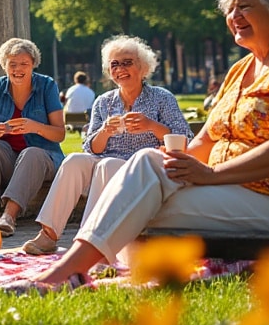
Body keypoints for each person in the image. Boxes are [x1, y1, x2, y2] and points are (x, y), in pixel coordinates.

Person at [35, 0, 269, 288]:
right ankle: (94, 269)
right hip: (243, 192)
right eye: (229, 8)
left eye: (244, 5)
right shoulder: (241, 69)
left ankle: (68, 272)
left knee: (141, 192)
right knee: (148, 164)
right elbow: (203, 141)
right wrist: (173, 162)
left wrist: (211, 175)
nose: (234, 15)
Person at [23, 35, 190, 255]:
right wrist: (104, 131)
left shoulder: (161, 98)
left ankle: (90, 241)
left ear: (143, 67)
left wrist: (151, 125)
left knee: (107, 165)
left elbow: (184, 137)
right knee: (74, 160)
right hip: (106, 162)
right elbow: (91, 148)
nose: (120, 68)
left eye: (127, 62)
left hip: (141, 168)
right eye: (114, 64)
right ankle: (48, 234)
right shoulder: (104, 101)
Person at [0, 38, 67, 237]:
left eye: (24, 64)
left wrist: (35, 127)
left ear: (33, 65)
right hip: (8, 160)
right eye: (12, 64)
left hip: (41, 158)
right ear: (4, 65)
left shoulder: (46, 85)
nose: (18, 69)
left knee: (31, 153)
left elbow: (60, 134)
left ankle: (9, 216)